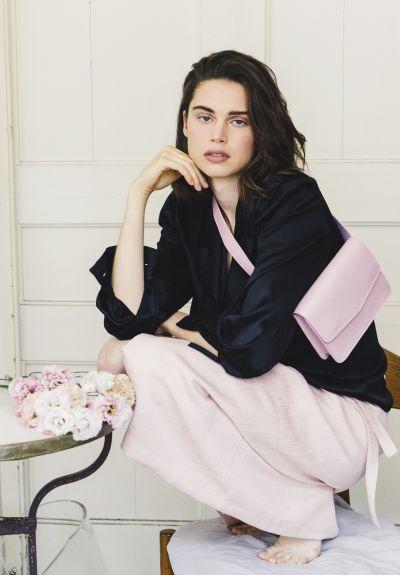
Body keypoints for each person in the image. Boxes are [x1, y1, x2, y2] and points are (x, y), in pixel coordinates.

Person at [89, 50, 397, 566]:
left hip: (338, 424)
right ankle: (265, 502)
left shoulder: (293, 200)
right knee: (119, 351)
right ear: (184, 124)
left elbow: (252, 349)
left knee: (137, 353)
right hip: (272, 413)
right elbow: (130, 314)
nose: (217, 136)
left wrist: (173, 326)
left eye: (238, 121)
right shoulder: (189, 208)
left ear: (261, 130)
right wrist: (137, 195)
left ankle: (301, 514)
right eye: (204, 117)